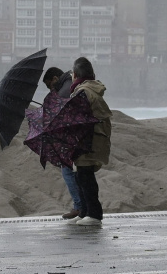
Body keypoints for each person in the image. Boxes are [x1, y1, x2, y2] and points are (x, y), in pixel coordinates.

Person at [66, 57, 112, 226]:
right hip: (90, 139)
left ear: (75, 74)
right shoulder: (87, 90)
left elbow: (77, 119)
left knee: (85, 177)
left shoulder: (83, 92)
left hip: (87, 141)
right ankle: (85, 212)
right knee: (80, 176)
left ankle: (94, 214)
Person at [42, 67, 83, 220]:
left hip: (72, 138)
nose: (50, 89)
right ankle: (82, 207)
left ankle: (79, 207)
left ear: (54, 79)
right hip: (79, 136)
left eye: (49, 85)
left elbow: (63, 116)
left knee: (67, 170)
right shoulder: (69, 84)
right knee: (79, 173)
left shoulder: (64, 90)